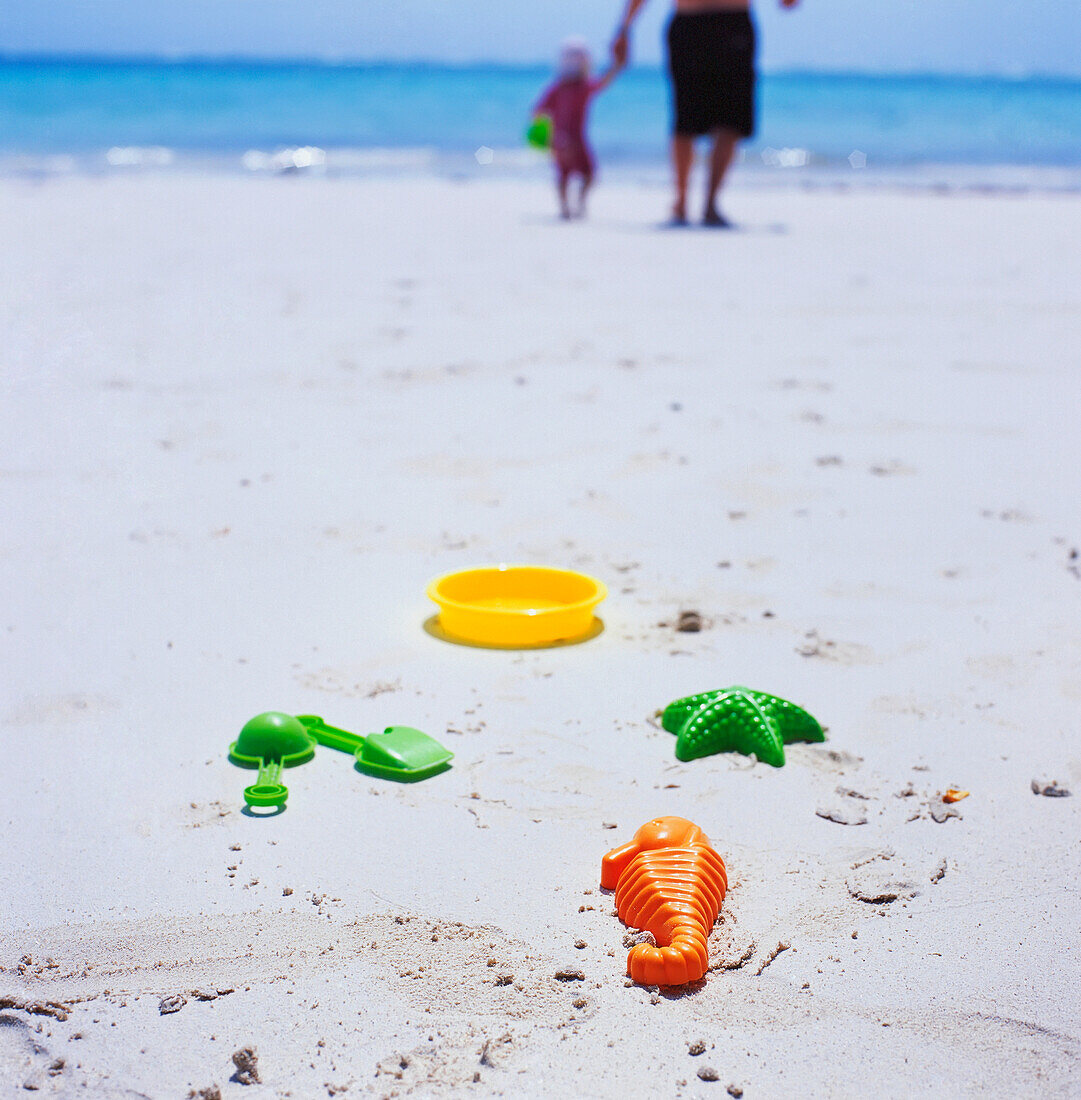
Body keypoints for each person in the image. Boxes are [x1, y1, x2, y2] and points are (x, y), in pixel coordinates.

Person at [612, 0, 800, 227]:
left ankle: (705, 203)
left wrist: (625, 28)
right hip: (697, 22)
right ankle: (684, 202)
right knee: (688, 120)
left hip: (728, 22)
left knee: (729, 119)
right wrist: (624, 28)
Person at [532, 38, 625, 220]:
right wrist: (616, 66)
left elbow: (538, 112)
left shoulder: (558, 88)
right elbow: (603, 83)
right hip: (574, 139)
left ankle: (566, 208)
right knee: (587, 173)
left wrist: (544, 137)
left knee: (564, 174)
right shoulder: (580, 87)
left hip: (558, 139)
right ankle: (576, 204)